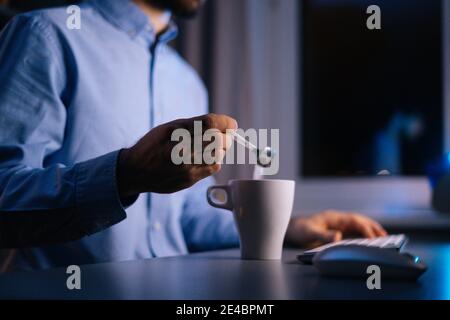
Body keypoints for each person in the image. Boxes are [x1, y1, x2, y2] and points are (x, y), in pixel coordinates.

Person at [0, 0, 386, 271]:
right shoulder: (46, 35)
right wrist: (126, 175)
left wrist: (289, 227)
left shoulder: (186, 81)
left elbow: (190, 218)